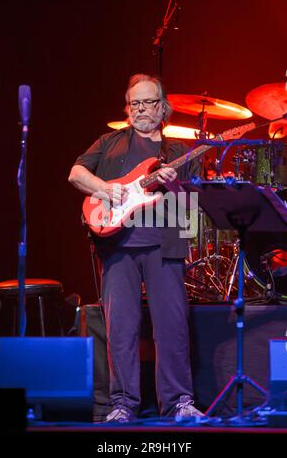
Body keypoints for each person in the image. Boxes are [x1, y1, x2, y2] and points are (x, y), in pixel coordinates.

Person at [68, 73, 204, 422]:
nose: (142, 109)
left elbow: (193, 203)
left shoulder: (177, 151)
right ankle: (122, 404)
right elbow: (76, 174)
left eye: (149, 102)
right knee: (121, 328)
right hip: (117, 244)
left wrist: (176, 186)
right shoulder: (110, 142)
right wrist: (103, 188)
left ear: (163, 107)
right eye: (135, 103)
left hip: (164, 245)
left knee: (171, 326)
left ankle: (178, 402)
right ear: (128, 107)